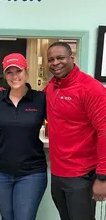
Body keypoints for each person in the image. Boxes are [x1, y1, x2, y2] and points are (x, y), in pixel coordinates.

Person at [45, 41, 106, 220]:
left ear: (72, 58)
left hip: (82, 176)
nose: (55, 63)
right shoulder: (52, 87)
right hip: (57, 173)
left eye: (60, 58)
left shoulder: (91, 88)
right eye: (51, 59)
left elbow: (104, 131)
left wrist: (102, 178)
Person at [0, 53, 47, 220]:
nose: (14, 76)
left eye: (18, 71)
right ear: (4, 75)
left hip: (32, 172)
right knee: (7, 217)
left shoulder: (40, 98)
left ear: (26, 71)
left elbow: (56, 126)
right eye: (9, 72)